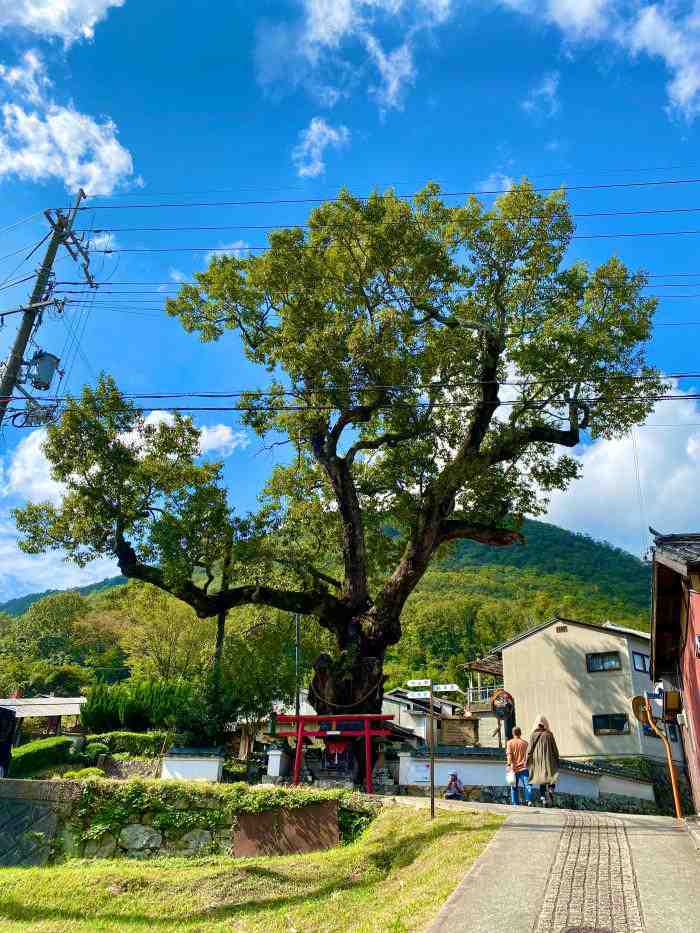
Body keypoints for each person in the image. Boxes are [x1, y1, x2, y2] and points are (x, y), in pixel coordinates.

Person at [526, 715, 560, 807]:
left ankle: (543, 799)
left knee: (541, 780)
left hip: (537, 761)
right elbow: (555, 749)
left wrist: (527, 761)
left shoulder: (533, 735)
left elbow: (529, 750)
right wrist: (557, 759)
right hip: (549, 760)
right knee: (551, 778)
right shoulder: (549, 734)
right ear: (545, 725)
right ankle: (551, 790)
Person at [505, 726, 530, 805]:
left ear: (513, 733)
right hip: (524, 767)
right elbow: (528, 756)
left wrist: (509, 765)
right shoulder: (525, 743)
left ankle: (515, 803)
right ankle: (528, 800)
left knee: (514, 786)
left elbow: (509, 755)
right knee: (527, 785)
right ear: (520, 733)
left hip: (514, 768)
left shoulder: (509, 743)